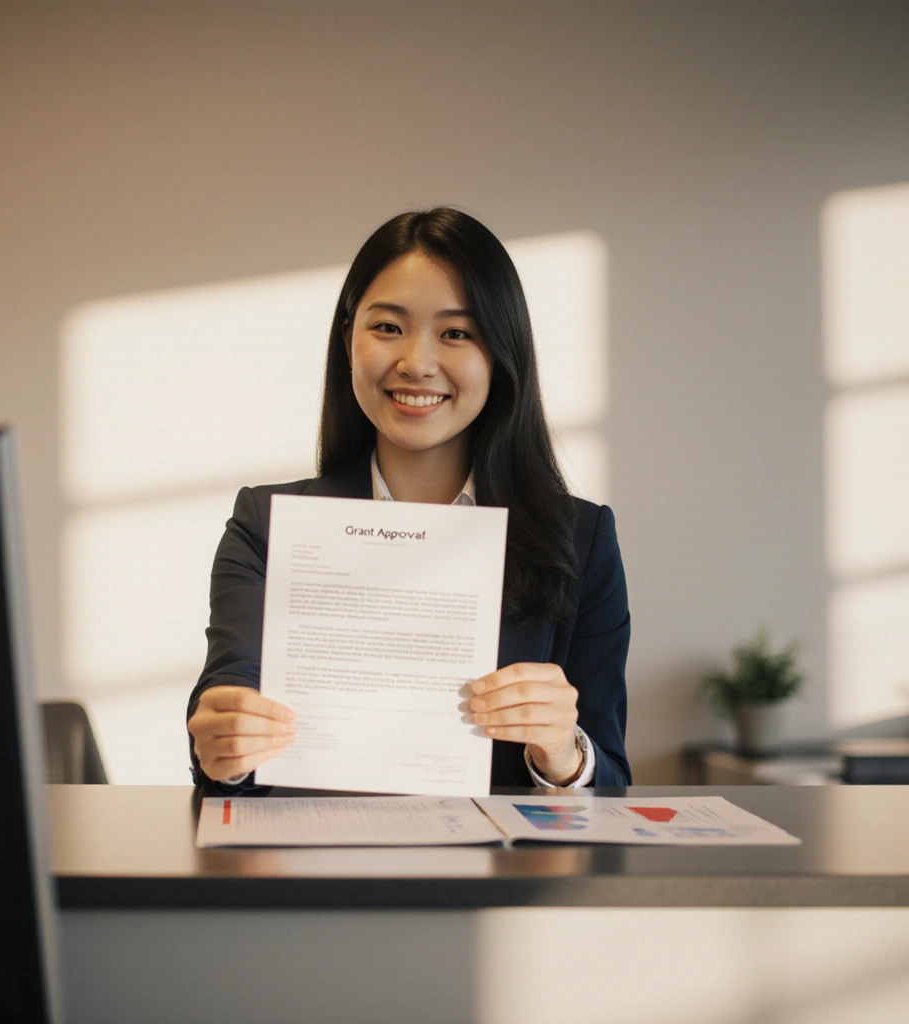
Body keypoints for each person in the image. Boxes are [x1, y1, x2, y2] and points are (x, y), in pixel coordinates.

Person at [187, 207, 630, 792]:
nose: (417, 364)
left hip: (499, 878)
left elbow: (612, 780)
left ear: (500, 355)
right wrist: (225, 742)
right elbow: (229, 708)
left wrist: (562, 753)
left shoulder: (581, 539)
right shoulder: (267, 526)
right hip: (313, 874)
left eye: (456, 333)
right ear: (348, 340)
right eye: (389, 328)